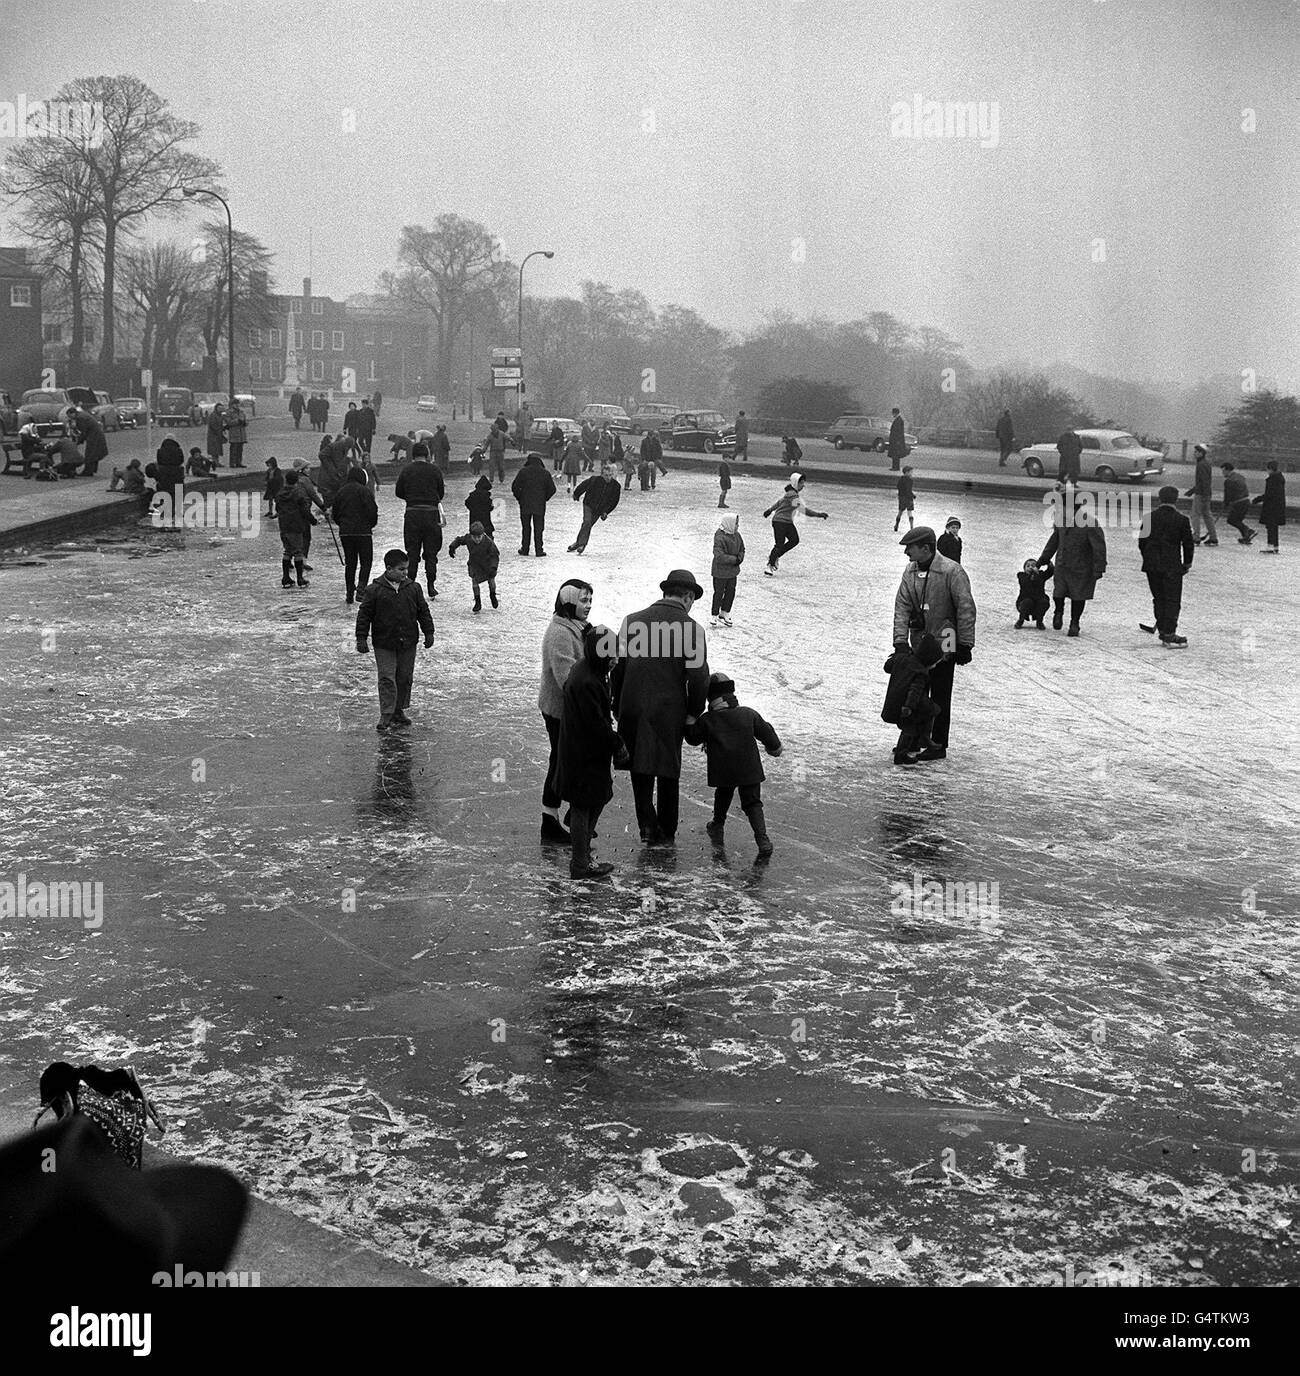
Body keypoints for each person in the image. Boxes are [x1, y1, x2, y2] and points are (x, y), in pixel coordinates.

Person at [611, 569, 710, 845]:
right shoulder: (693, 630)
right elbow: (699, 678)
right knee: (668, 768)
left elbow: (616, 667)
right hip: (669, 711)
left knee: (639, 764)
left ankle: (646, 825)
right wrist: (693, 712)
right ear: (688, 597)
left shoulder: (631, 622)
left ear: (666, 593)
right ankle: (666, 829)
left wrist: (616, 703)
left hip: (631, 706)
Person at [891, 526, 976, 762]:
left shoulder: (952, 571)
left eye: (911, 547)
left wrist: (965, 643)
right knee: (916, 692)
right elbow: (902, 607)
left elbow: (965, 608)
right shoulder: (910, 572)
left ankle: (938, 743)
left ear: (926, 548)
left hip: (945, 641)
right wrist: (900, 642)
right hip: (919, 642)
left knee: (940, 694)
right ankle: (916, 738)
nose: (907, 552)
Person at [557, 624, 628, 881]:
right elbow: (596, 724)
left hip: (584, 750)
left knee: (594, 799)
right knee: (585, 803)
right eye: (612, 656)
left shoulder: (590, 671)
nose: (616, 661)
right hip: (583, 753)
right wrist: (617, 743)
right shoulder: (587, 680)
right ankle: (580, 863)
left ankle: (582, 853)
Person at [685, 672, 781, 856]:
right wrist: (775, 747)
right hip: (749, 769)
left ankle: (717, 824)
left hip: (724, 770)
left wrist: (689, 719)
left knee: (724, 792)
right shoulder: (748, 714)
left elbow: (692, 738)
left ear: (710, 697)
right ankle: (762, 839)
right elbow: (766, 732)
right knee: (752, 802)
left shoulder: (708, 720)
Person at [355, 548, 436, 732]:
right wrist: (361, 637)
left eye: (406, 569)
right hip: (384, 642)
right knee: (386, 678)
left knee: (404, 677)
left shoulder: (413, 588)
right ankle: (386, 713)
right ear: (388, 569)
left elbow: (423, 611)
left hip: (408, 641)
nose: (405, 572)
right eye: (401, 569)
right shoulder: (374, 590)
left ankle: (399, 710)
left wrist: (428, 632)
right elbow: (364, 615)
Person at [538, 579, 594, 842]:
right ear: (569, 602)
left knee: (567, 761)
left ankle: (573, 816)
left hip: (572, 710)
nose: (588, 606)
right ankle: (550, 819)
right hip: (560, 710)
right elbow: (567, 680)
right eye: (583, 600)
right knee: (561, 762)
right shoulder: (560, 633)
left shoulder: (576, 627)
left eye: (590, 600)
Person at [1037, 491, 1107, 635]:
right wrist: (1043, 559)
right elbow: (1054, 541)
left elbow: (1099, 547)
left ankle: (1074, 623)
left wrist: (1099, 568)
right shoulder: (1060, 520)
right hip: (1062, 565)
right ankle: (1059, 612)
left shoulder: (1090, 522)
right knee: (1058, 593)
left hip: (1081, 567)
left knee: (1078, 597)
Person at [1137, 485, 1194, 648]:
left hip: (1152, 565)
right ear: (1176, 499)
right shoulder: (1182, 520)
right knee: (1172, 600)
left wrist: (1147, 558)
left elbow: (1142, 542)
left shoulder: (1148, 518)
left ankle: (1163, 629)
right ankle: (1169, 633)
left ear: (1160, 498)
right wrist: (1187, 563)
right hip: (1172, 565)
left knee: (1159, 598)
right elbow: (1188, 544)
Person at [881, 634, 945, 764]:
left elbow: (888, 667)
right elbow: (914, 691)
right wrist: (908, 707)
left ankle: (923, 739)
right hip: (906, 705)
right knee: (910, 727)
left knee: (930, 712)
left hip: (895, 701)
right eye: (934, 663)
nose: (935, 666)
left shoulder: (904, 659)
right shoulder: (920, 672)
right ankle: (902, 754)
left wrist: (896, 656)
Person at [395, 443, 446, 596]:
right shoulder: (435, 470)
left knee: (412, 553)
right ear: (427, 455)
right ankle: (431, 585)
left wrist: (411, 498)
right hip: (431, 515)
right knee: (431, 554)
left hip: (412, 514)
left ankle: (410, 586)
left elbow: (398, 492)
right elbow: (441, 494)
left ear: (413, 455)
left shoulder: (406, 470)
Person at [332, 465, 380, 605]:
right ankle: (361, 588)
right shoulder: (364, 491)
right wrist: (370, 524)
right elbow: (372, 510)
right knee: (366, 561)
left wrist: (342, 524)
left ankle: (349, 592)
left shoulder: (341, 492)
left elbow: (336, 512)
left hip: (346, 532)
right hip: (363, 532)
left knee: (350, 562)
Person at [763, 473, 828, 575]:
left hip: (787, 522)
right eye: (801, 483)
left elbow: (780, 502)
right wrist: (819, 515)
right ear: (795, 483)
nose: (803, 485)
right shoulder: (792, 495)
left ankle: (775, 556)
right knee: (779, 544)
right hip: (779, 522)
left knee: (794, 540)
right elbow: (803, 510)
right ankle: (770, 565)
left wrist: (770, 510)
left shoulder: (791, 493)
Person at [448, 520, 501, 613]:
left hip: (487, 564)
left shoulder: (488, 542)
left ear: (483, 534)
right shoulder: (468, 538)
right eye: (474, 537)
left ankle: (492, 595)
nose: (477, 539)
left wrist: (493, 567)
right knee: (474, 581)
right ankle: (477, 601)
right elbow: (459, 540)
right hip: (474, 564)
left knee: (491, 580)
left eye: (479, 537)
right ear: (471, 535)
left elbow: (495, 555)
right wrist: (453, 546)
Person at [569, 462, 622, 554]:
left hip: (599, 510)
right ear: (601, 475)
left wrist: (606, 512)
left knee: (587, 525)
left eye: (610, 475)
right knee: (587, 522)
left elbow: (614, 501)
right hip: (588, 504)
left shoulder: (616, 486)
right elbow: (583, 486)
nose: (608, 478)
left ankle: (578, 543)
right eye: (606, 475)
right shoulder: (594, 480)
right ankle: (582, 545)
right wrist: (576, 494)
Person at [511, 451, 556, 555]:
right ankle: (539, 550)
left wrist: (520, 498)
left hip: (525, 504)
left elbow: (515, 487)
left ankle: (525, 549)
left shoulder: (523, 472)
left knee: (526, 527)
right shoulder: (545, 473)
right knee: (539, 528)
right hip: (539, 505)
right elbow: (552, 489)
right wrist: (544, 498)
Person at [290, 457, 330, 568]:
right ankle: (303, 560)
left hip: (292, 511)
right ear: (301, 470)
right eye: (307, 468)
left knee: (294, 536)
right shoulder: (305, 480)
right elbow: (313, 495)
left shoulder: (294, 480)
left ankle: (291, 558)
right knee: (306, 536)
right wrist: (323, 507)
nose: (309, 470)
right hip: (304, 510)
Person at [276, 470, 314, 588]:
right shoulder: (298, 494)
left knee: (287, 551)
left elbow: (277, 509)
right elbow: (305, 510)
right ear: (296, 481)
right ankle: (300, 578)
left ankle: (286, 577)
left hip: (284, 526)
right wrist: (313, 520)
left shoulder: (280, 494)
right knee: (298, 552)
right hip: (296, 526)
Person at [711, 512, 744, 628]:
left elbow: (742, 549)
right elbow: (718, 555)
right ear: (729, 524)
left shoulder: (737, 535)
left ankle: (725, 612)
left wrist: (740, 558)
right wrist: (734, 560)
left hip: (732, 571)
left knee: (731, 591)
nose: (737, 526)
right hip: (720, 571)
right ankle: (714, 614)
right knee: (719, 592)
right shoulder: (719, 536)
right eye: (736, 524)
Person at [1184, 443, 1219, 545]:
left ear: (1201, 453)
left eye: (1196, 452)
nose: (1194, 453)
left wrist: (1199, 493)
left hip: (1201, 494)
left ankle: (1196, 537)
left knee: (1195, 515)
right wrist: (1192, 491)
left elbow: (1203, 481)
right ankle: (1213, 537)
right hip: (1206, 493)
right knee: (1207, 515)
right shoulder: (1206, 463)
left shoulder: (1201, 464)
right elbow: (1205, 481)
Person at [1251, 460, 1286, 553]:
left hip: (1272, 506)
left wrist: (1258, 499)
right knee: (1273, 527)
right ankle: (1275, 546)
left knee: (1271, 526)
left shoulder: (1273, 479)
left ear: (1270, 469)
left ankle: (1271, 546)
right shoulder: (1279, 478)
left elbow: (1269, 494)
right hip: (1277, 505)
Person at [1220, 462, 1254, 544]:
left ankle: (1248, 531)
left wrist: (1226, 503)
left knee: (1231, 520)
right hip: (1246, 501)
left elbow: (1228, 494)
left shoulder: (1229, 481)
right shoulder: (1240, 477)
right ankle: (1246, 536)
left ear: (1228, 470)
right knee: (1238, 520)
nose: (1222, 473)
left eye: (1223, 471)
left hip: (1239, 503)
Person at [1014, 558, 1053, 629]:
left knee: (1044, 601)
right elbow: (1025, 582)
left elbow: (1050, 572)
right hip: (1024, 602)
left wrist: (1048, 562)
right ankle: (1020, 620)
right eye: (1028, 566)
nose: (1030, 567)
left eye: (1033, 565)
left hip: (1038, 602)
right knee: (1027, 602)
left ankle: (1039, 621)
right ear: (1024, 569)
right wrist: (1033, 574)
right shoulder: (1021, 575)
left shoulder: (1041, 575)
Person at [72, 407, 108, 477]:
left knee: (90, 454)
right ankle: (90, 470)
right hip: (96, 435)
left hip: (94, 436)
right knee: (94, 453)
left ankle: (88, 471)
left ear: (73, 413)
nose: (70, 418)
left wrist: (78, 442)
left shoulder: (80, 418)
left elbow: (83, 432)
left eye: (69, 415)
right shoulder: (82, 414)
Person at [155, 436, 185, 502]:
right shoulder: (179, 450)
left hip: (164, 474)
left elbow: (159, 461)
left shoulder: (160, 450)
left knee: (165, 493)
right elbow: (181, 460)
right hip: (177, 474)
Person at [225, 399, 248, 468]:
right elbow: (228, 422)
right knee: (233, 449)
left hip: (241, 433)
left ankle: (239, 462)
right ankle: (232, 463)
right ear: (232, 405)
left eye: (238, 404)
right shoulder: (229, 412)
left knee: (240, 450)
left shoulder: (241, 412)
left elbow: (246, 421)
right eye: (235, 404)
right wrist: (237, 421)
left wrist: (244, 423)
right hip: (234, 433)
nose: (237, 405)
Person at [894, 466, 916, 532]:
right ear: (907, 472)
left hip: (902, 498)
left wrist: (900, 494)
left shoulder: (901, 479)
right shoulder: (910, 480)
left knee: (900, 512)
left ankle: (896, 524)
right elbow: (909, 490)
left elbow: (898, 486)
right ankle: (911, 527)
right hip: (908, 498)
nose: (912, 473)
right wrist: (913, 495)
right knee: (910, 512)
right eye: (911, 472)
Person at [887, 407, 908, 472]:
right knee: (895, 454)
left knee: (895, 454)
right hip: (896, 440)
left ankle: (895, 467)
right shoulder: (899, 419)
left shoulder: (898, 420)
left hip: (896, 441)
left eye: (893, 413)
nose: (892, 415)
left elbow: (898, 432)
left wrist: (897, 441)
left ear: (895, 413)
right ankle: (895, 467)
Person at [206, 403, 226, 467]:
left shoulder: (220, 415)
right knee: (214, 450)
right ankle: (215, 463)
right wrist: (219, 430)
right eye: (219, 408)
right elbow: (213, 425)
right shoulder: (213, 415)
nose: (221, 409)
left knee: (217, 450)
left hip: (218, 435)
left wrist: (223, 428)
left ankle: (216, 462)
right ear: (216, 408)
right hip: (213, 435)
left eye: (222, 408)